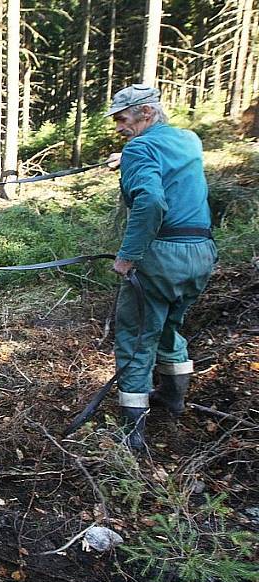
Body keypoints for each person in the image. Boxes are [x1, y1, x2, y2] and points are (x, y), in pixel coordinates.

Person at [104, 84, 217, 452]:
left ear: (147, 114)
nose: (119, 127)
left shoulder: (139, 146)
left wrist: (128, 255)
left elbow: (151, 201)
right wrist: (129, 159)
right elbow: (169, 165)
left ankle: (132, 435)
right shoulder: (189, 139)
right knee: (170, 325)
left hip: (161, 255)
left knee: (136, 336)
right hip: (200, 253)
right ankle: (173, 400)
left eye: (122, 119)